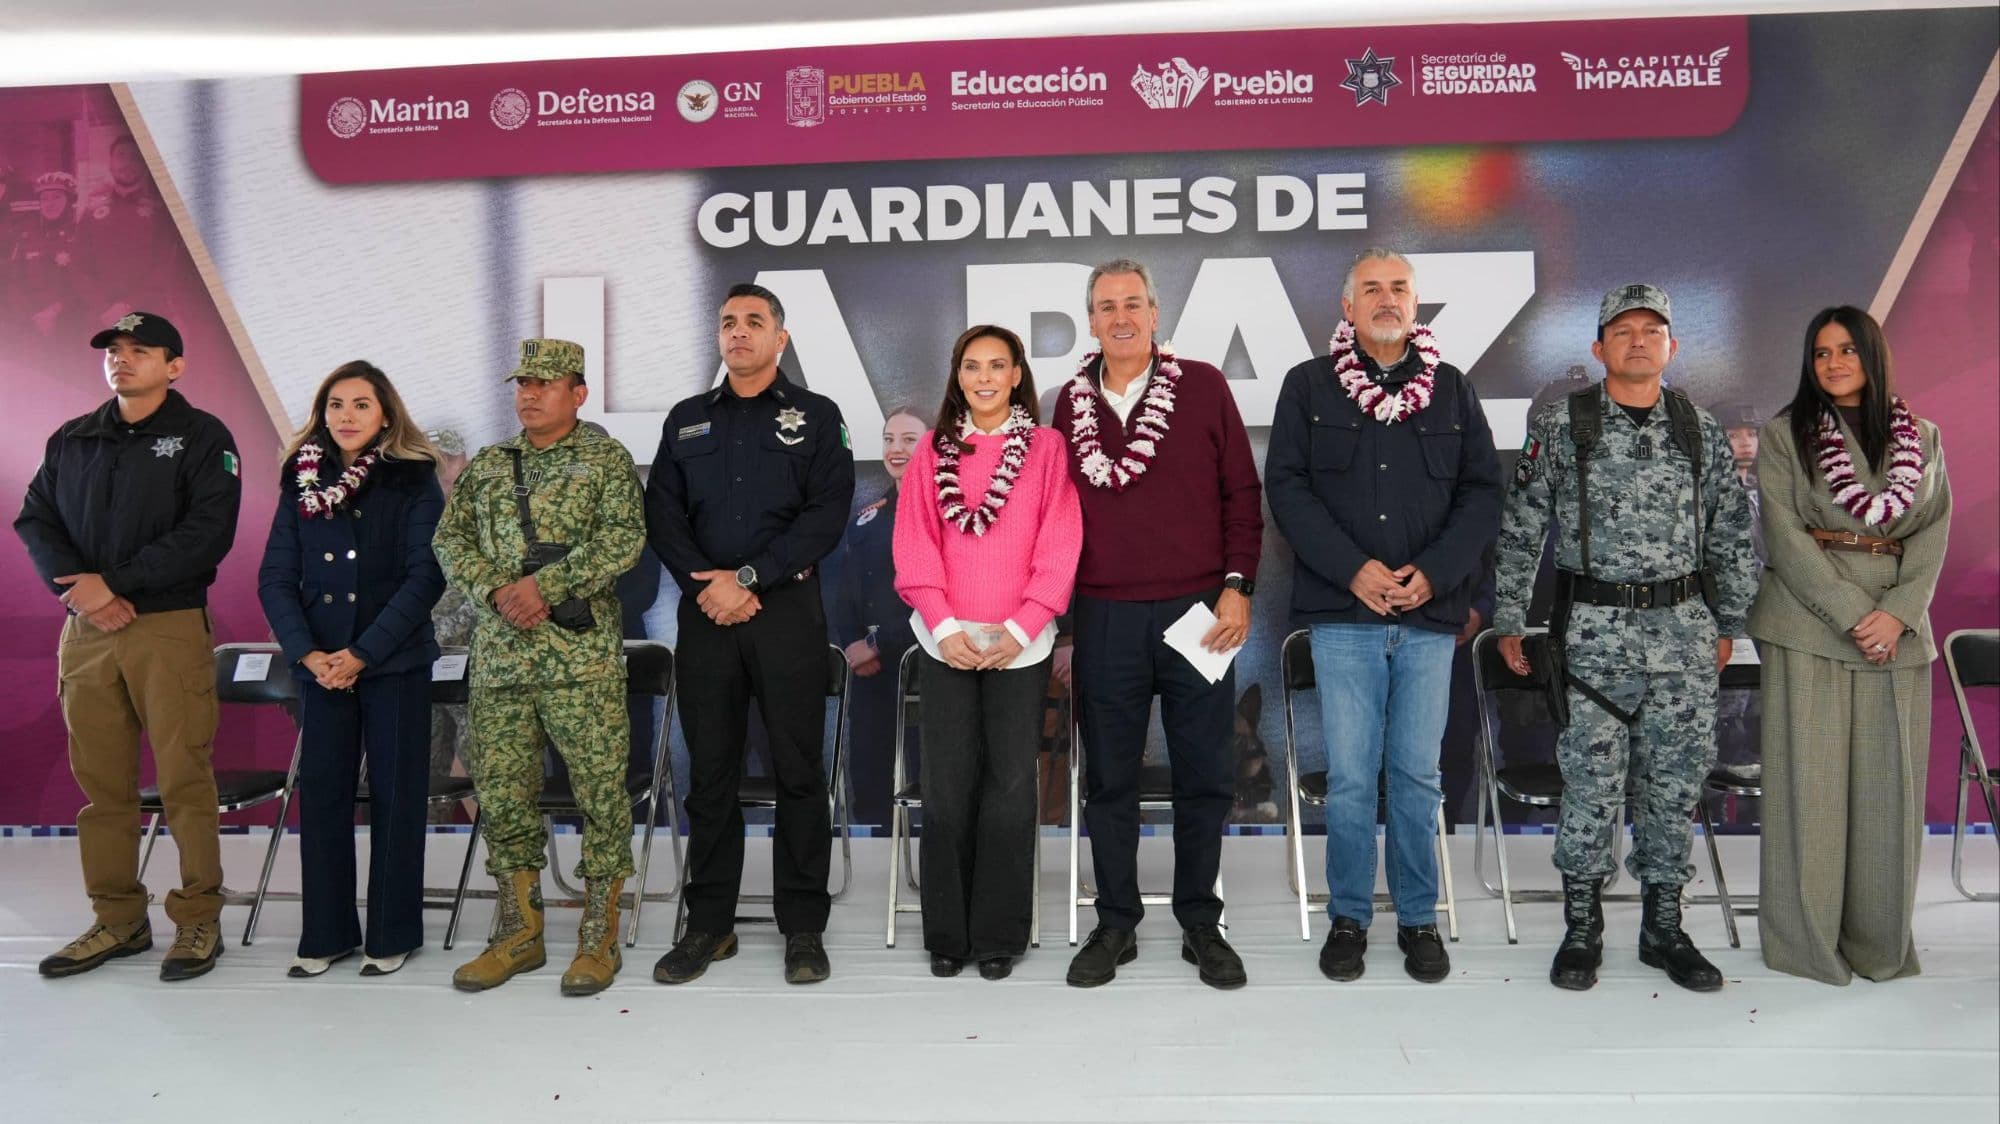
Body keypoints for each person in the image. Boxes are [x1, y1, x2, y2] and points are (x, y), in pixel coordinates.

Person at [1493, 284, 1757, 993]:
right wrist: (1510, 618)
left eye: (1652, 330)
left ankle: (1664, 928)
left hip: (1684, 634)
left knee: (1673, 786)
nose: (1638, 341)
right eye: (1623, 330)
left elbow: (1732, 533)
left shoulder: (1699, 429)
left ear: (1672, 346)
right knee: (1591, 784)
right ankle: (1582, 928)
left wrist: (1730, 622)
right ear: (1598, 347)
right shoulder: (1564, 424)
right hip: (1595, 636)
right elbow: (1521, 526)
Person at [1264, 248, 1501, 984]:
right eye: (1371, 288)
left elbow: (1483, 493)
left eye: (1399, 287)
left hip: (1429, 619)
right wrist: (1353, 569)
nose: (1387, 298)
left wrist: (1435, 574)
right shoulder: (1307, 386)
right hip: (1344, 615)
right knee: (1351, 779)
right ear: (1348, 306)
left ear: (1415, 303)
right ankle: (1348, 918)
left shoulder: (1452, 389)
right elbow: (1288, 490)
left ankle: (1419, 918)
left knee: (1418, 776)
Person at [1049, 258, 1263, 990]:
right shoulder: (1069, 402)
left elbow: (1242, 494)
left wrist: (1237, 587)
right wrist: (1064, 624)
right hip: (1104, 614)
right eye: (1107, 306)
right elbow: (1056, 516)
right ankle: (1115, 922)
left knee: (1205, 772)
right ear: (1091, 320)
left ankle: (1202, 921)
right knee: (1110, 777)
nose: (1121, 317)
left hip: (1198, 611)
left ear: (1155, 313)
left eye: (1133, 303)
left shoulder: (1201, 385)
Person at [15, 311, 242, 981]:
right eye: (114, 349)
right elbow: (36, 519)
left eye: (140, 350)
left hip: (166, 625)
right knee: (102, 786)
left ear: (174, 366)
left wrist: (113, 584)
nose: (122, 358)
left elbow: (207, 532)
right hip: (87, 630)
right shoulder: (73, 437)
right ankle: (117, 918)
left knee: (184, 780)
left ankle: (198, 919)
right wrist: (82, 593)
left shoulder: (202, 436)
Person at [645, 283, 856, 985]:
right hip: (707, 616)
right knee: (710, 777)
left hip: (787, 616)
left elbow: (825, 516)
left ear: (780, 338)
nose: (738, 332)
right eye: (729, 322)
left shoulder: (817, 416)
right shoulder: (686, 420)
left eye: (754, 322)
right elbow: (663, 514)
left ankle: (803, 928)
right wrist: (710, 586)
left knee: (798, 774)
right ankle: (709, 925)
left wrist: (749, 577)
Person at [432, 338, 645, 997]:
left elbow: (625, 539)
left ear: (578, 394)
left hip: (580, 663)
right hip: (501, 662)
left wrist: (543, 587)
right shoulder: (492, 464)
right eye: (522, 383)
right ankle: (518, 932)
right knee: (502, 795)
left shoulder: (605, 459)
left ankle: (598, 935)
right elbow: (449, 538)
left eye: (544, 384)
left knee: (600, 796)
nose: (529, 394)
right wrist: (498, 590)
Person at [1748, 306, 1951, 985]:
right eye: (1821, 352)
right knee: (1810, 791)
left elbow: (1934, 531)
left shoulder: (1924, 436)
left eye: (1846, 350)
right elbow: (1783, 536)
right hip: (1808, 623)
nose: (1833, 363)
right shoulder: (1785, 435)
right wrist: (1852, 613)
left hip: (1896, 631)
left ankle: (1878, 943)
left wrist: (1896, 614)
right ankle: (1805, 944)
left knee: (1888, 793)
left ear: (1873, 355)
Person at [892, 325, 1082, 980]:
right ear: (958, 376)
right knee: (947, 788)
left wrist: (1021, 628)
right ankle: (948, 933)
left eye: (997, 366)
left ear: (1016, 375)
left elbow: (1060, 541)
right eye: (972, 366)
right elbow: (915, 543)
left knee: (1009, 788)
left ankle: (999, 935)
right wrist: (945, 628)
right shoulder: (931, 451)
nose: (984, 378)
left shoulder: (1047, 449)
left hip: (1019, 645)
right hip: (944, 638)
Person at [257, 361, 444, 978]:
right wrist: (307, 654)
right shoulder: (301, 478)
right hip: (321, 666)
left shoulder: (414, 478)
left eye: (361, 404)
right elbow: (276, 577)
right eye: (336, 404)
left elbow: (426, 576)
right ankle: (327, 933)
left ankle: (393, 932)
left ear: (385, 414)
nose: (346, 416)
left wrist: (364, 653)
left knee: (396, 796)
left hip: (392, 661)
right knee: (324, 797)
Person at [832, 405, 927, 826]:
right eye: (889, 439)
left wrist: (878, 644)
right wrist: (854, 644)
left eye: (908, 439)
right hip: (868, 672)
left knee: (925, 778)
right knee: (870, 776)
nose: (896, 449)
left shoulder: (947, 513)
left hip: (923, 666)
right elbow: (843, 591)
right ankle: (872, 860)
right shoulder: (867, 518)